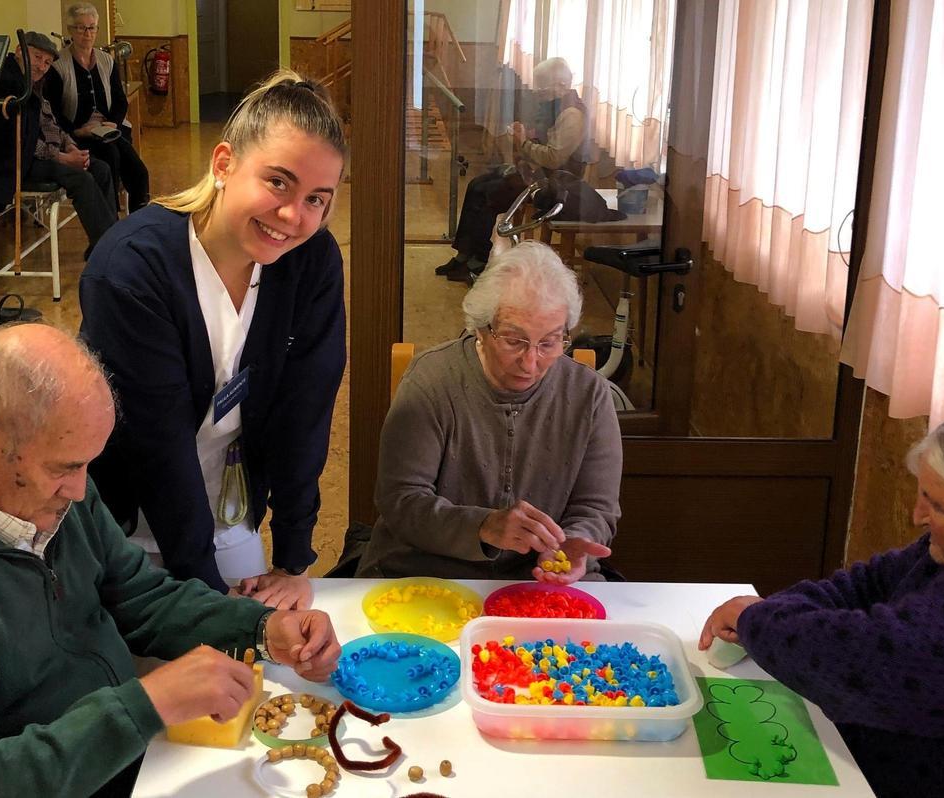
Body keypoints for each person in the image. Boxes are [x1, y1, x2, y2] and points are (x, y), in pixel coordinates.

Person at [0, 323, 341, 797]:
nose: (79, 489)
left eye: (87, 465)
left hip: (112, 753)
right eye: (65, 468)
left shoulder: (39, 476)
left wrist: (261, 627)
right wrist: (145, 705)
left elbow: (138, 594)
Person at [80, 69, 346, 610]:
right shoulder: (132, 268)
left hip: (227, 506)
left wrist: (294, 558)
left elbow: (306, 410)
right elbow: (157, 446)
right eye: (278, 182)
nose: (294, 217)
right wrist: (207, 598)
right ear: (224, 164)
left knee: (254, 678)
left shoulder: (311, 262)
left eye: (318, 198)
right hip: (122, 518)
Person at [699, 409, 944, 798]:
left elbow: (869, 659)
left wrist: (758, 621)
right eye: (923, 495)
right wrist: (773, 615)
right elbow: (862, 584)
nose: (917, 516)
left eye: (939, 506)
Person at [357, 242, 620, 580]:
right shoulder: (432, 381)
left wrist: (574, 542)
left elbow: (596, 507)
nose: (531, 362)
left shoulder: (589, 395)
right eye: (514, 340)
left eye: (550, 342)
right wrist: (483, 526)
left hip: (538, 580)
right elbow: (400, 500)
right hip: (426, 571)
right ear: (480, 329)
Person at [436, 56, 619, 285]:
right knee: (476, 185)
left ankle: (478, 261)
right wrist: (528, 134)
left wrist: (523, 142)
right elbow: (545, 141)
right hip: (538, 174)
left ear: (562, 85)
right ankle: (463, 254)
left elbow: (554, 159)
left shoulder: (572, 114)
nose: (538, 92)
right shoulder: (555, 107)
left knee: (490, 193)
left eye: (543, 87)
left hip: (556, 185)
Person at [0, 31, 118, 257]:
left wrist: (69, 145)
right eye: (37, 58)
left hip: (40, 155)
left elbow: (49, 122)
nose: (42, 66)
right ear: (20, 51)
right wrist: (62, 158)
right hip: (17, 162)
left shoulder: (34, 84)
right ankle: (106, 252)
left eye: (47, 62)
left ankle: (110, 240)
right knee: (81, 179)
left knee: (101, 168)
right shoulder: (7, 84)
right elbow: (20, 141)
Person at [43, 4, 150, 213]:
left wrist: (114, 122)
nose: (87, 33)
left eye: (92, 28)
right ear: (71, 31)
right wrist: (77, 130)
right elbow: (54, 111)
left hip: (108, 130)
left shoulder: (106, 61)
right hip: (77, 135)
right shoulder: (59, 65)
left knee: (139, 171)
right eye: (81, 28)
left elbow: (120, 100)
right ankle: (110, 221)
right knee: (110, 158)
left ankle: (140, 220)